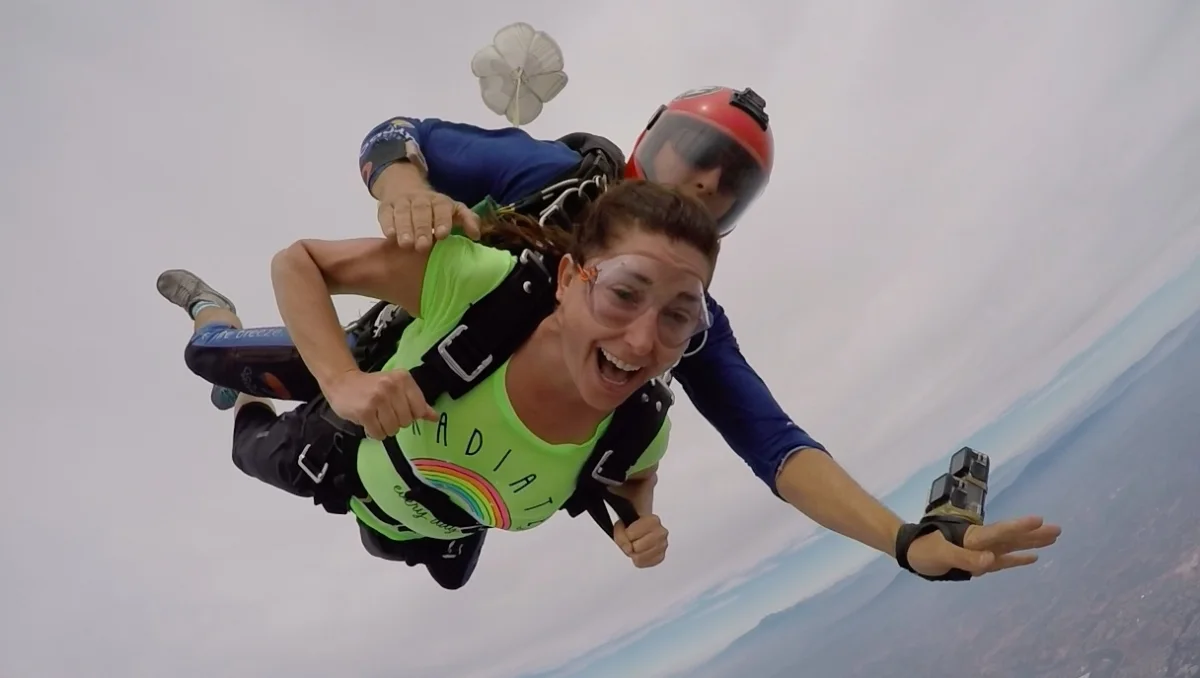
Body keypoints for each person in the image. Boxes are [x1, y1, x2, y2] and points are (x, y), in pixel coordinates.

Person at [166, 85, 1060, 585]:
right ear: (646, 141)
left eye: (726, 186)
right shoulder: (550, 177)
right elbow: (400, 133)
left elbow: (779, 449)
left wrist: (902, 540)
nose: (699, 188)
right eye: (691, 158)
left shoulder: (683, 321)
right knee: (223, 368)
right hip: (393, 347)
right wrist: (401, 184)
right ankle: (217, 319)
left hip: (448, 445)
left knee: (434, 550)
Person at [160, 180, 721, 589]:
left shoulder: (640, 424)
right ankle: (218, 322)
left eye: (679, 315)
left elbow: (636, 474)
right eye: (623, 292)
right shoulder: (479, 284)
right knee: (225, 402)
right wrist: (342, 382)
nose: (642, 341)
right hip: (337, 456)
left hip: (435, 530)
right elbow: (298, 262)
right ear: (569, 279)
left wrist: (637, 519)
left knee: (449, 577)